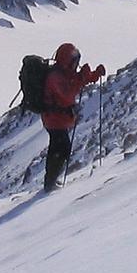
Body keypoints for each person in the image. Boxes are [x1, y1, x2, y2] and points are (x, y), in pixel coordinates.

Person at [40, 43, 105, 192]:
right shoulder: (55, 76)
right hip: (54, 119)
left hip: (57, 119)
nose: (76, 64)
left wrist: (95, 74)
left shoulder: (64, 72)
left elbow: (78, 81)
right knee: (61, 148)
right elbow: (68, 96)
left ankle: (50, 180)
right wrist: (82, 77)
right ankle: (50, 182)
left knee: (58, 148)